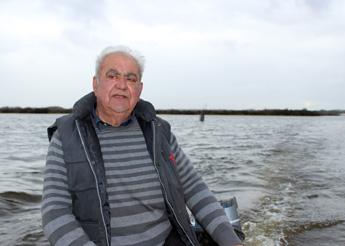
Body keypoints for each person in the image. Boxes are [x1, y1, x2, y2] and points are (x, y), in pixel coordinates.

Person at [41, 45, 243, 246]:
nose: (122, 85)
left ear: (139, 89)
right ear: (95, 84)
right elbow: (55, 212)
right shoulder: (66, 137)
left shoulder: (159, 132)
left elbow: (195, 189)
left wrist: (231, 242)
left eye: (131, 78)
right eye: (113, 76)